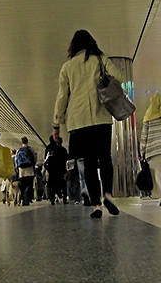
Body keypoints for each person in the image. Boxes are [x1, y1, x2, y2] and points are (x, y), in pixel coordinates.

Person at [53, 30, 120, 218]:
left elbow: (62, 97)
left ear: (73, 46)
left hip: (79, 120)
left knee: (89, 163)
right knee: (105, 157)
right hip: (101, 117)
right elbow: (119, 76)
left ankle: (96, 206)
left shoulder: (67, 67)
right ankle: (108, 195)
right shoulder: (100, 59)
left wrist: (57, 123)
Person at [44, 134, 69, 205]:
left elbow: (45, 158)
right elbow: (66, 159)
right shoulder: (63, 149)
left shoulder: (48, 148)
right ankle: (64, 198)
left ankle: (52, 198)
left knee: (52, 184)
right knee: (63, 184)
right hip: (61, 169)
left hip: (51, 169)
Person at [16, 136, 37, 206]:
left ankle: (23, 200)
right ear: (27, 141)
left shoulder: (18, 150)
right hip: (30, 170)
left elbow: (16, 161)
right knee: (29, 185)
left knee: (22, 185)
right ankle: (27, 196)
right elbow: (34, 157)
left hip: (21, 171)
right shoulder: (30, 149)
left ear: (21, 142)